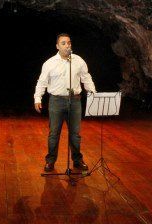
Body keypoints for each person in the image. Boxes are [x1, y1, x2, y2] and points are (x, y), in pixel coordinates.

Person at [34, 33, 96, 172]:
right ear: (57, 46)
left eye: (69, 42)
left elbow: (86, 78)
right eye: (63, 43)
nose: (67, 45)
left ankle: (77, 160)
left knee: (75, 134)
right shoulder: (49, 63)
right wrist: (37, 98)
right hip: (56, 101)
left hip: (74, 100)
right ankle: (50, 161)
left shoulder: (78, 60)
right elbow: (42, 82)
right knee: (54, 133)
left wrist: (93, 93)